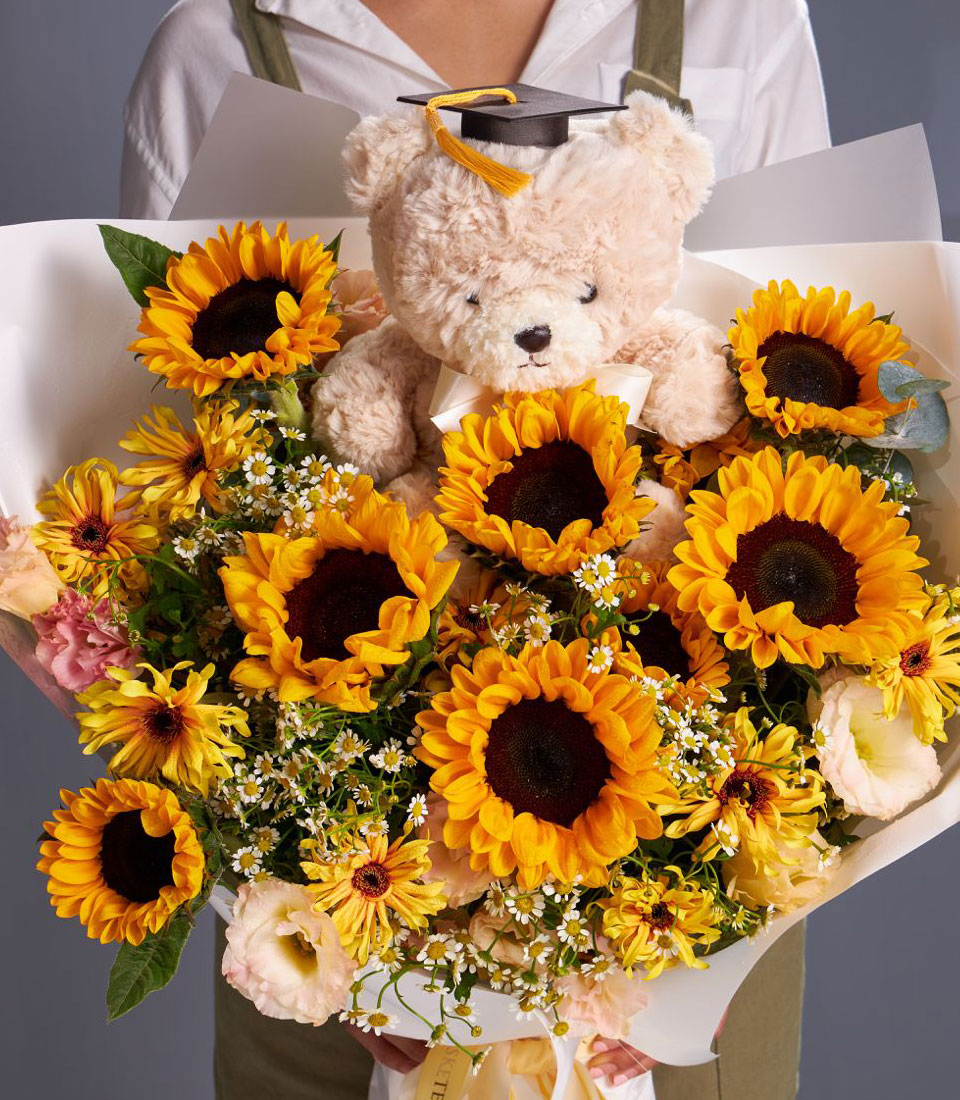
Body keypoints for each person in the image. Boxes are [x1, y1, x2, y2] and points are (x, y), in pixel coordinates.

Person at [122, 3, 829, 1097]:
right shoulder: (214, 45)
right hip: (328, 907)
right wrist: (326, 935)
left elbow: (823, 411)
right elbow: (157, 498)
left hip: (691, 932)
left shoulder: (742, 18)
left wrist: (708, 932)